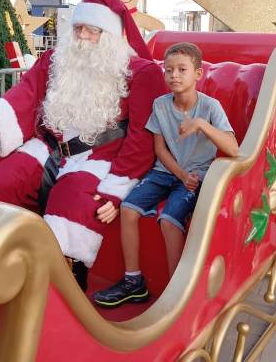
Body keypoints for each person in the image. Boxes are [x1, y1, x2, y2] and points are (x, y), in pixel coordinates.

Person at [0, 0, 168, 290]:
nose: (82, 36)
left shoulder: (142, 73)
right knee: (2, 183)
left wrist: (116, 190)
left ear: (111, 34)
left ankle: (60, 283)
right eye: (78, 28)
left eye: (92, 30)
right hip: (46, 146)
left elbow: (142, 137)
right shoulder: (56, 58)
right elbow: (28, 91)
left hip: (99, 158)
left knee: (73, 201)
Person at [93, 42, 238, 307]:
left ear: (198, 73)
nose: (174, 75)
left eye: (182, 69)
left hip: (197, 175)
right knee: (127, 208)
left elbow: (232, 148)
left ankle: (175, 290)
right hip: (168, 171)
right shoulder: (160, 105)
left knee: (169, 219)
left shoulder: (210, 107)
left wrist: (201, 125)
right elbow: (159, 149)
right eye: (169, 70)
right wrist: (180, 174)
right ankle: (133, 281)